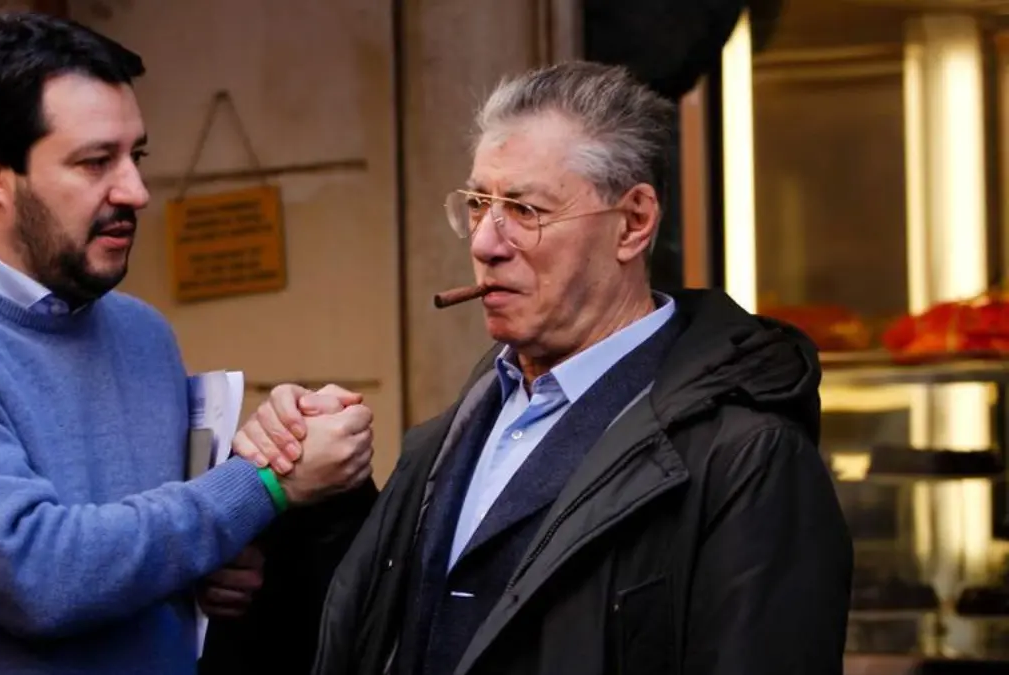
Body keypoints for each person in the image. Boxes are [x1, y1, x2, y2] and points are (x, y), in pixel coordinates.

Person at [236, 61, 854, 674]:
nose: (485, 244)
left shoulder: (748, 457)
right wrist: (316, 504)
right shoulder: (455, 432)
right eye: (478, 204)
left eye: (525, 210)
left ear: (633, 223)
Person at [0, 12, 374, 675]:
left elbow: (150, 543)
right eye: (95, 161)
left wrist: (224, 550)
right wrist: (265, 483)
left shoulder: (143, 334)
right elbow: (39, 574)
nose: (135, 191)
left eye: (136, 157)